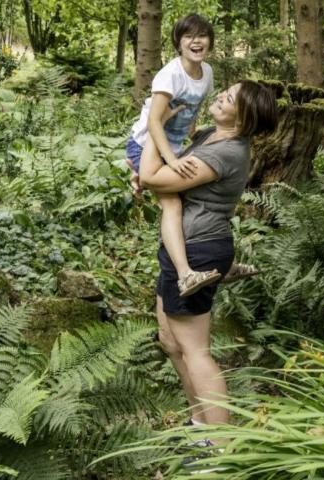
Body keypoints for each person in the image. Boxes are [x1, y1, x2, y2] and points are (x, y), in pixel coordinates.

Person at [139, 80, 278, 429]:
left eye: (229, 98)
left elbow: (152, 176)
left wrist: (154, 124)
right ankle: (199, 424)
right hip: (180, 247)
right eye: (225, 90)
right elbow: (160, 175)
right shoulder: (208, 137)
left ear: (243, 119)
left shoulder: (226, 152)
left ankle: (220, 449)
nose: (220, 96)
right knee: (171, 341)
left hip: (199, 248)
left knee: (195, 349)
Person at [127, 13, 221, 298]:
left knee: (194, 195)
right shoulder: (170, 74)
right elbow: (156, 122)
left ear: (210, 42)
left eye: (202, 35)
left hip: (173, 147)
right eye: (189, 36)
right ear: (178, 43)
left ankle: (218, 265)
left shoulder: (207, 74)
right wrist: (171, 160)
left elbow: (193, 111)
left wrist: (190, 142)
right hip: (146, 144)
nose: (196, 41)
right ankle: (184, 275)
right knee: (173, 206)